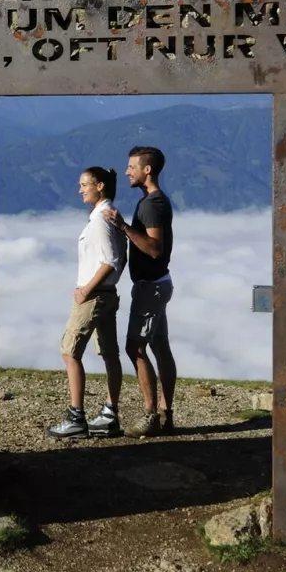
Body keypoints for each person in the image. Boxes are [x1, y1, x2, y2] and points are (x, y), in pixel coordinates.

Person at [47, 166, 127, 439]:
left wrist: (85, 291)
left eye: (84, 184)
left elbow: (110, 261)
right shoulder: (110, 216)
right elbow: (119, 259)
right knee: (109, 353)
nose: (80, 189)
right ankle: (109, 414)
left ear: (100, 186)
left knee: (70, 352)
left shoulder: (101, 220)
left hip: (93, 295)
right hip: (108, 294)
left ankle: (76, 418)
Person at [103, 145, 176, 437]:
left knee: (136, 347)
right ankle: (166, 414)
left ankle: (150, 415)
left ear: (147, 169)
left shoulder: (151, 205)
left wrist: (122, 227)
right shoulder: (153, 201)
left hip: (150, 288)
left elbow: (154, 249)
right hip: (159, 284)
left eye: (131, 166)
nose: (127, 171)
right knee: (160, 347)